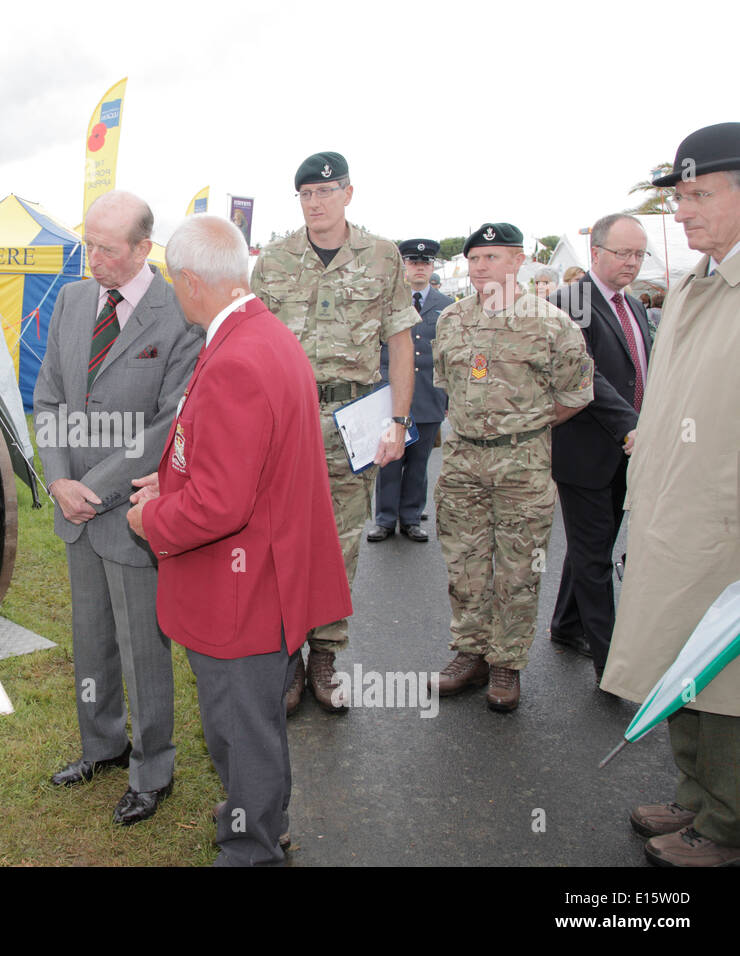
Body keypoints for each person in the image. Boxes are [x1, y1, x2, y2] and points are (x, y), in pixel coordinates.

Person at [126, 216, 350, 865]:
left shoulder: (237, 358)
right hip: (268, 576)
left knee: (237, 730)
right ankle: (263, 818)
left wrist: (152, 519)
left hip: (239, 586)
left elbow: (221, 505)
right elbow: (245, 461)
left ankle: (251, 847)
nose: (174, 293)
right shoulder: (265, 335)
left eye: (175, 282)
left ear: (193, 281)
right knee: (255, 723)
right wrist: (170, 481)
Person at [32, 190, 202, 825]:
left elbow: (168, 423)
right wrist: (56, 480)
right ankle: (100, 746)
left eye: (105, 249)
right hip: (73, 505)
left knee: (142, 647)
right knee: (91, 637)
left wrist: (93, 488)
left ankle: (153, 767)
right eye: (87, 244)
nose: (92, 258)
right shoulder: (75, 299)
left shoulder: (179, 313)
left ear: (142, 249)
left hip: (128, 512)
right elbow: (46, 397)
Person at [602, 122, 740, 867]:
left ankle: (726, 826)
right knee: (686, 668)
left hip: (725, 526)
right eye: (678, 196)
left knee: (730, 684)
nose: (681, 213)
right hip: (674, 516)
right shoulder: (696, 284)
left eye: (699, 195)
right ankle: (695, 796)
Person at [251, 151, 418, 714]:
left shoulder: (382, 256)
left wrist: (398, 421)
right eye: (305, 194)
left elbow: (399, 342)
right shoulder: (273, 260)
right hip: (285, 421)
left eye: (325, 192)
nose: (315, 203)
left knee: (340, 543)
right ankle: (287, 657)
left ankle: (325, 655)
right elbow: (251, 345)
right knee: (280, 540)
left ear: (349, 193)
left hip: (352, 421)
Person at [430, 223, 593, 711]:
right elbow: (447, 384)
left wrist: (525, 428)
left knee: (519, 567)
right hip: (462, 460)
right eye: (475, 259)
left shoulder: (552, 323)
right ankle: (470, 652)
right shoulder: (451, 321)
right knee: (465, 563)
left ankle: (507, 663)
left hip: (522, 462)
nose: (481, 267)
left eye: (493, 258)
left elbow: (576, 393)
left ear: (518, 261)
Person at [548, 214, 652, 683]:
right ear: (595, 254)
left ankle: (567, 625)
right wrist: (632, 426)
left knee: (596, 544)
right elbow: (585, 375)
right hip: (588, 451)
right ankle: (615, 668)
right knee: (594, 558)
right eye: (622, 253)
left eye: (638, 254)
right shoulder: (569, 303)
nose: (631, 263)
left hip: (629, 450)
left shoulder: (637, 308)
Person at [369, 239, 451, 543]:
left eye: (425, 263)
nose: (419, 268)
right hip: (391, 395)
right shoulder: (387, 302)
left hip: (429, 396)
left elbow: (451, 357)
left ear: (432, 267)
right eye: (414, 262)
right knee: (388, 460)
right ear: (404, 266)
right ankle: (386, 519)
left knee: (419, 463)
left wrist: (449, 399)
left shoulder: (446, 306)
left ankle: (412, 518)